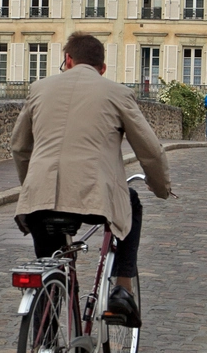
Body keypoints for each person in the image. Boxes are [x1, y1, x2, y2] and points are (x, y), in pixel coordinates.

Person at [11, 32, 173, 326]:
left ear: (68, 60)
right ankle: (122, 288)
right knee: (132, 202)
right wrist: (161, 188)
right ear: (103, 68)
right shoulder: (117, 93)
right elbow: (150, 150)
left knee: (50, 267)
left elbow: (20, 147)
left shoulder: (39, 88)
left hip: (40, 197)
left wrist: (31, 188)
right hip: (95, 198)